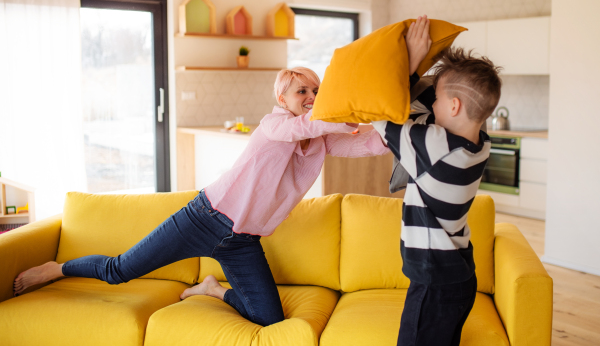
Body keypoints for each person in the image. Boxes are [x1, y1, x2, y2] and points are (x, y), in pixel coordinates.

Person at [13, 67, 389, 327]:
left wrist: (400, 124)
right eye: (302, 91)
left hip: (242, 241)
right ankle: (55, 269)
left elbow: (369, 144)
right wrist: (343, 114)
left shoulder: (319, 140)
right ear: (282, 96)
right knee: (119, 271)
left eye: (316, 91)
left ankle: (211, 290)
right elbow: (305, 125)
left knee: (268, 319)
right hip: (202, 219)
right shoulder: (274, 125)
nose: (311, 97)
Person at [371, 16, 502, 346]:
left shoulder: (436, 147)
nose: (434, 102)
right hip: (457, 277)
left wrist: (413, 61)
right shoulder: (478, 142)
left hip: (434, 284)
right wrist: (435, 81)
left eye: (440, 99)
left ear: (455, 106)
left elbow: (376, 108)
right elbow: (423, 107)